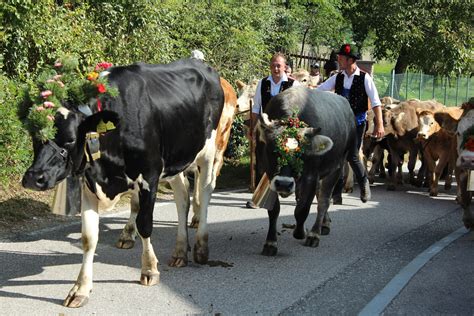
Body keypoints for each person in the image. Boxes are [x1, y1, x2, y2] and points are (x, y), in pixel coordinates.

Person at [317, 43, 384, 204]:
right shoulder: (338, 77)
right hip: (340, 123)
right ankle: (337, 194)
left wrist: (380, 124)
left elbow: (375, 102)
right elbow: (320, 89)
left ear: (350, 60)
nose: (338, 59)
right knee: (338, 157)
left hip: (357, 123)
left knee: (353, 156)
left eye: (341, 57)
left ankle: (364, 184)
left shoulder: (364, 77)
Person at [246, 52, 301, 209]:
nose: (276, 68)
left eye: (279, 65)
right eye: (273, 65)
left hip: (287, 131)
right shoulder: (263, 83)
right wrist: (252, 127)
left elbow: (299, 109)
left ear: (285, 67)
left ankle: (297, 193)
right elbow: (256, 107)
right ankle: (261, 198)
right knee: (264, 161)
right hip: (266, 130)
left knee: (292, 162)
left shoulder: (293, 85)